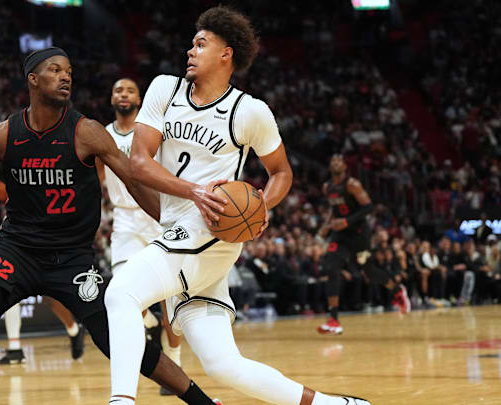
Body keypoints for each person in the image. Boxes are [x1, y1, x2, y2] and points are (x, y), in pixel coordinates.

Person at [0, 48, 221, 405]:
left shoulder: (86, 132)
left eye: (69, 71)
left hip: (72, 260)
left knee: (117, 335)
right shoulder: (2, 134)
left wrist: (172, 227)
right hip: (16, 252)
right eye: (55, 70)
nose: (66, 77)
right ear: (32, 79)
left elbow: (136, 182)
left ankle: (201, 401)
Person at [104, 7, 370, 405]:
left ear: (226, 54)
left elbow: (281, 172)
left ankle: (120, 402)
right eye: (192, 43)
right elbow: (139, 163)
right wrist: (195, 191)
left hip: (213, 235)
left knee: (120, 293)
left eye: (201, 44)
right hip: (177, 231)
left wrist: (262, 205)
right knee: (223, 364)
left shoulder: (250, 111)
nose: (190, 51)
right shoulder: (164, 89)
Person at [98, 77, 181, 395]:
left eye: (130, 90)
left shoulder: (152, 131)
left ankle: (174, 361)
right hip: (126, 223)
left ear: (140, 98)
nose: (123, 94)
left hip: (162, 220)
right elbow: (95, 179)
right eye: (118, 89)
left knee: (171, 306)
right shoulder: (103, 135)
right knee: (123, 298)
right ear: (111, 97)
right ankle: (129, 376)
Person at [317, 154, 410, 335]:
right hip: (340, 235)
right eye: (332, 161)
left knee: (369, 271)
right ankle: (334, 319)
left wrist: (347, 221)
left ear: (344, 166)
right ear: (330, 166)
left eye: (339, 161)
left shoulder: (352, 184)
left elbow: (368, 207)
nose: (335, 163)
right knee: (330, 266)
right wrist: (326, 225)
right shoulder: (327, 187)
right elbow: (333, 210)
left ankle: (398, 291)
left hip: (359, 235)